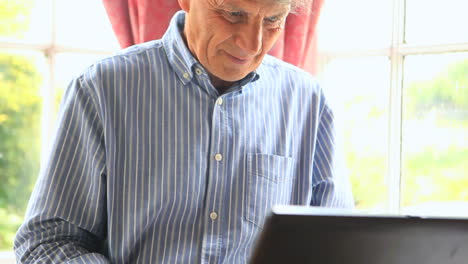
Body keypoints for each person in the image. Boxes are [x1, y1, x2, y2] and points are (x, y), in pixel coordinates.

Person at [14, 0, 354, 262]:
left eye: (272, 20)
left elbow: (343, 246)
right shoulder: (102, 90)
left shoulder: (309, 102)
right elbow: (48, 242)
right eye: (233, 13)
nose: (252, 43)